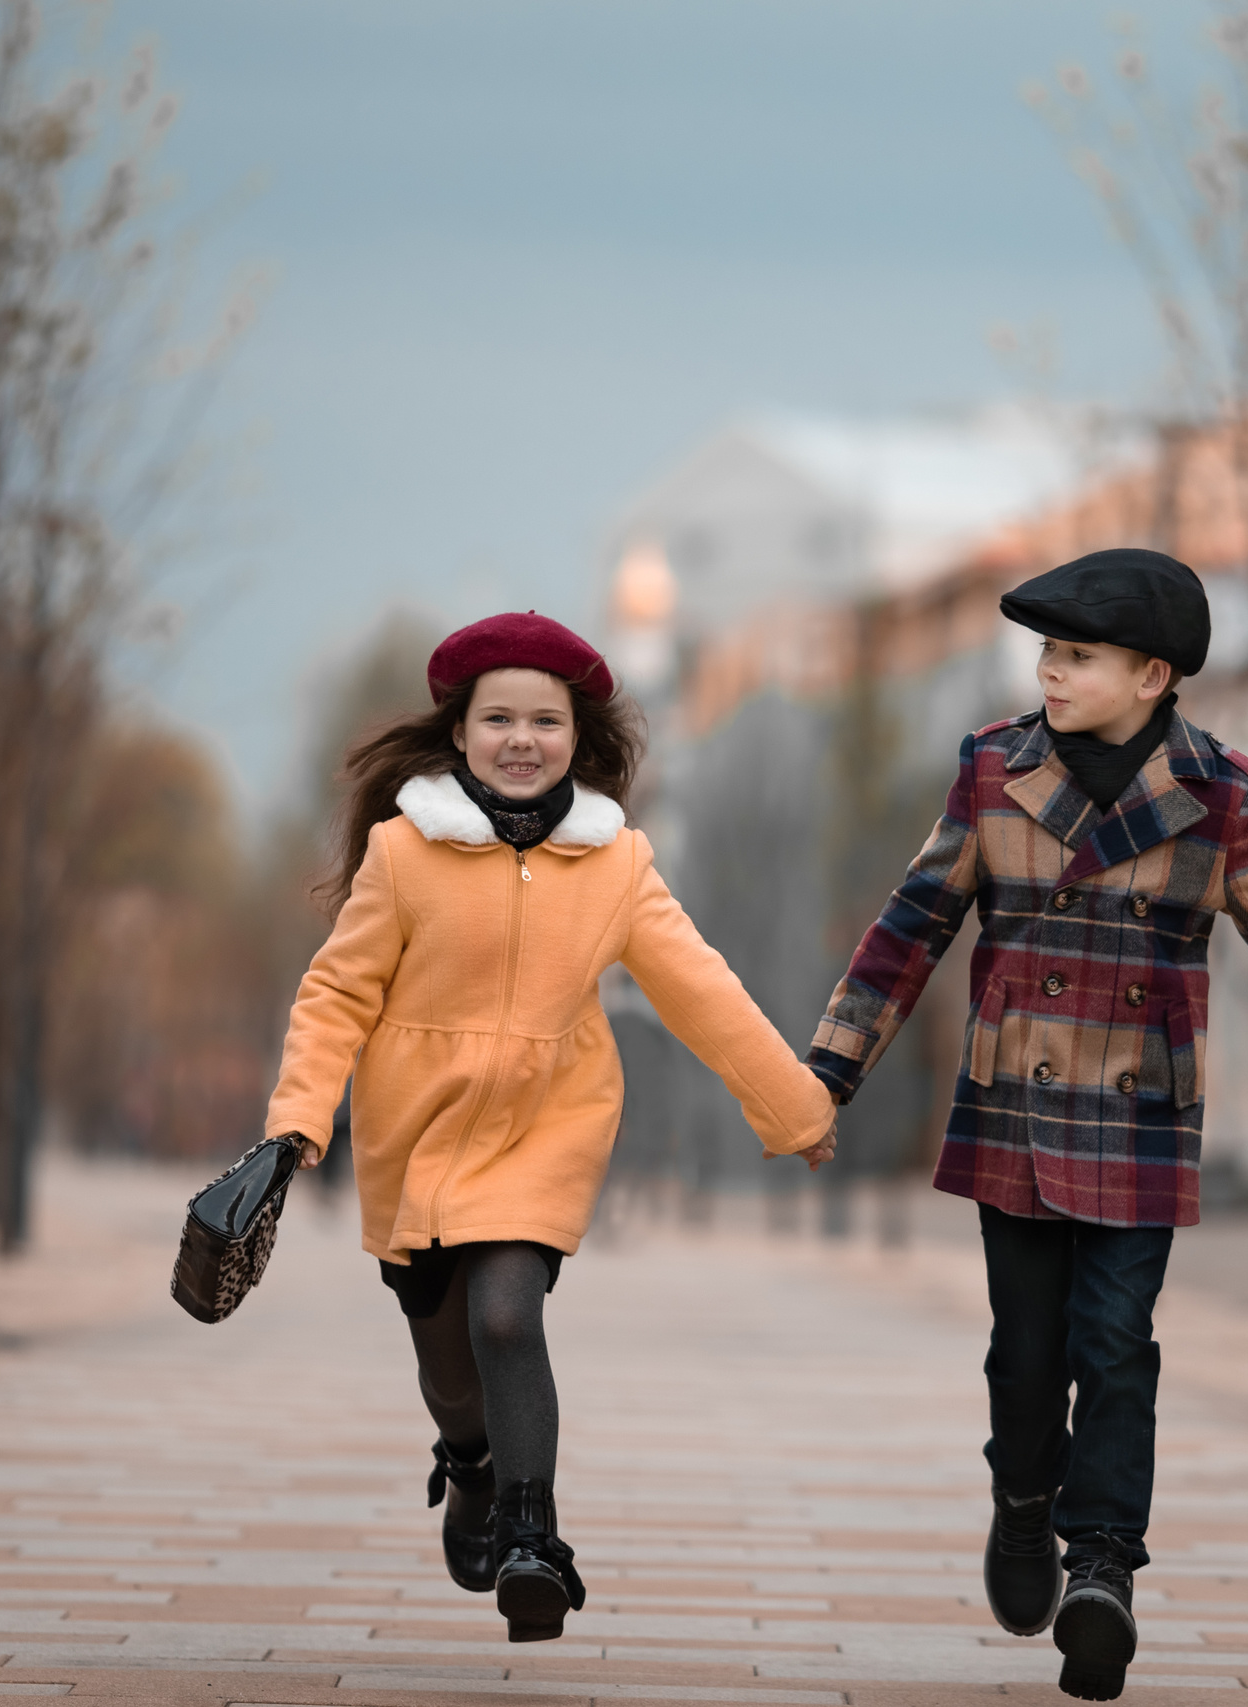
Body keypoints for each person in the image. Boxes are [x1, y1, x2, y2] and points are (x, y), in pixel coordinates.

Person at [804, 549, 1248, 1701]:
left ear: (1152, 674)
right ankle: (1023, 1506)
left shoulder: (1218, 798)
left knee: (1116, 1349)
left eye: (1077, 655)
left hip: (1138, 1116)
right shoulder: (991, 771)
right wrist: (825, 1072)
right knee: (1026, 1360)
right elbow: (910, 926)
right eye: (1047, 652)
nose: (1051, 673)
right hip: (1015, 1109)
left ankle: (1104, 1570)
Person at [264, 611, 837, 1644]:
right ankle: (472, 1465)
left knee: (505, 1316)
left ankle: (533, 1535)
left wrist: (792, 1106)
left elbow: (701, 991)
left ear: (579, 738)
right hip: (417, 1141)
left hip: (547, 1128)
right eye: (498, 719)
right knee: (447, 1361)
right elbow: (334, 996)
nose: (521, 738)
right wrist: (298, 1123)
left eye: (545, 720)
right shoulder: (402, 854)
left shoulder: (615, 865)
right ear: (461, 732)